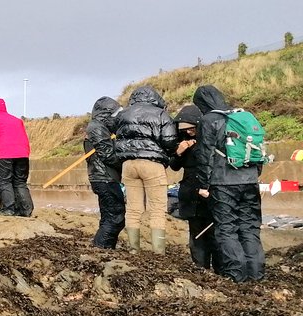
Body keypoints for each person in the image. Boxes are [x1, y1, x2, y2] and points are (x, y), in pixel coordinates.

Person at [193, 85, 265, 282]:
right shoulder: (241, 117)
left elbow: (204, 155)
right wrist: (253, 177)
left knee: (227, 228)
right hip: (250, 181)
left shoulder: (209, 120)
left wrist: (203, 185)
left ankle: (236, 276)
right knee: (249, 227)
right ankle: (256, 274)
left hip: (223, 182)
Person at [114, 86, 178, 251]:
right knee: (157, 209)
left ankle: (134, 249)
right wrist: (168, 153)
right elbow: (170, 140)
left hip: (128, 164)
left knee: (133, 208)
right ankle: (158, 252)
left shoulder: (124, 114)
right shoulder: (160, 114)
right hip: (152, 163)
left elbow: (116, 135)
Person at [168, 104, 217, 270]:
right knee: (195, 232)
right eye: (185, 130)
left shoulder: (209, 140)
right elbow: (174, 166)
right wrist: (179, 151)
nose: (188, 132)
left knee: (212, 231)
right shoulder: (184, 142)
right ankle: (200, 266)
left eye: (191, 129)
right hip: (190, 192)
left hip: (207, 191)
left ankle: (217, 265)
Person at [85, 97, 126, 249]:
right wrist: (125, 161)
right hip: (104, 177)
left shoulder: (100, 128)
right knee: (115, 217)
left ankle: (105, 247)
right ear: (106, 114)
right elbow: (108, 155)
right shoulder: (96, 128)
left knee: (108, 216)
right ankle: (101, 248)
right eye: (115, 115)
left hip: (104, 177)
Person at [0, 99, 33, 217]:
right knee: (20, 182)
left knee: (4, 182)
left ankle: (8, 209)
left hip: (4, 154)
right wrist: (26, 153)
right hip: (22, 155)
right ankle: (26, 210)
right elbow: (25, 139)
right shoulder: (17, 120)